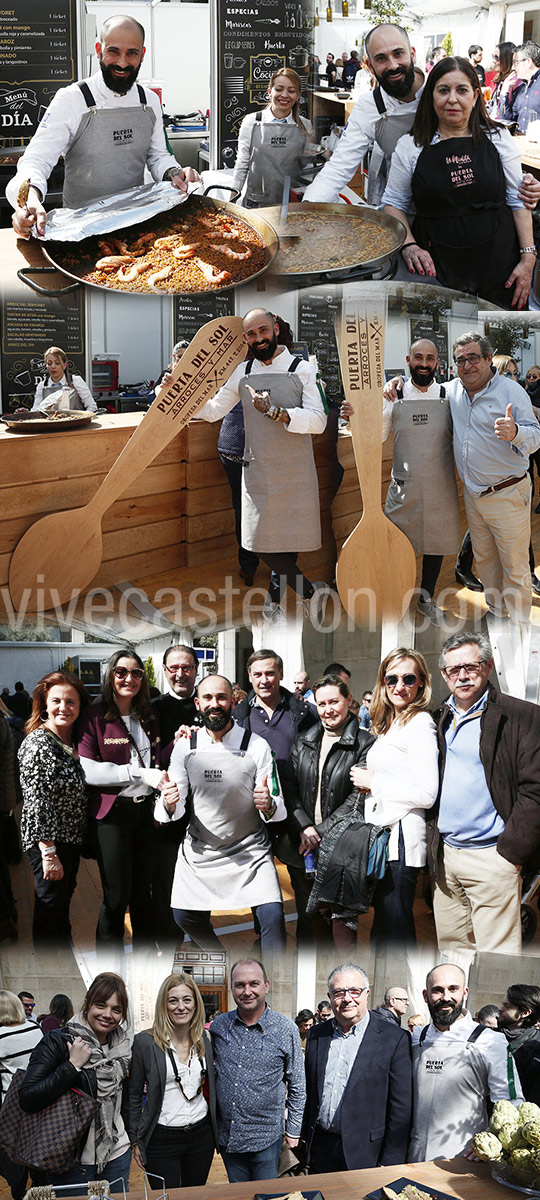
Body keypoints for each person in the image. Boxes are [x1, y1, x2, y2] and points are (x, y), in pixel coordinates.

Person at [8, 15, 198, 235]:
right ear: (99, 50)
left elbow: (157, 155)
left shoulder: (150, 101)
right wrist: (30, 196)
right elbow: (37, 159)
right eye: (113, 51)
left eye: (132, 53)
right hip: (82, 230)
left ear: (142, 55)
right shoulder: (72, 99)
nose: (122, 62)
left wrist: (173, 171)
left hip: (138, 222)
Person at [194, 308, 327, 621]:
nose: (259, 339)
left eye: (263, 331)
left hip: (295, 469)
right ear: (245, 339)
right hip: (258, 470)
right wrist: (182, 396)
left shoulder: (303, 369)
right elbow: (213, 411)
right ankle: (309, 591)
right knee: (258, 542)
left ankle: (275, 602)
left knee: (288, 540)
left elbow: (319, 421)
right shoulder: (242, 372)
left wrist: (278, 412)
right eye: (252, 334)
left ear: (276, 329)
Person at [382, 57, 536, 308]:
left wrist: (528, 259)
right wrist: (409, 246)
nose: (452, 99)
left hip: (501, 268)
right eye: (443, 90)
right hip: (437, 271)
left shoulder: (498, 138)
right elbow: (393, 204)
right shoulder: (411, 147)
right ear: (431, 96)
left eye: (461, 90)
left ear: (476, 96)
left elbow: (517, 200)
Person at [154, 675, 287, 952]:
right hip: (202, 852)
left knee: (273, 919)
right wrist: (168, 802)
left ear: (233, 701)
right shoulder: (185, 747)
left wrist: (268, 805)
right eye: (208, 698)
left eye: (221, 698)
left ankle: (266, 975)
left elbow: (278, 806)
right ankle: (220, 957)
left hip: (251, 851)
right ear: (197, 703)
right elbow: (175, 809)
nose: (215, 704)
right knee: (184, 916)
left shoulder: (256, 745)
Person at [429, 631, 540, 955]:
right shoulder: (439, 719)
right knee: (452, 955)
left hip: (493, 857)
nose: (462, 675)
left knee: (498, 958)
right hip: (446, 859)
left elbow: (535, 789)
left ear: (488, 667)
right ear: (444, 675)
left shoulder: (522, 716)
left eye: (471, 666)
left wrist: (510, 853)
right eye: (453, 670)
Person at [78, 649, 172, 948]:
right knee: (116, 896)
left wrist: (178, 741)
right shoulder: (94, 715)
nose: (128, 678)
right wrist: (138, 775)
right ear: (110, 676)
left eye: (136, 673)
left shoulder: (148, 713)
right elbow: (88, 769)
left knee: (143, 894)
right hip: (113, 817)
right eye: (121, 672)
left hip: (145, 814)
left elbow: (155, 761)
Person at [444, 334, 539, 620]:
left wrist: (516, 433)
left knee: (515, 568)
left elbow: (536, 436)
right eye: (460, 360)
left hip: (508, 493)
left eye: (473, 358)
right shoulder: (452, 391)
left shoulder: (511, 392)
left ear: (488, 359)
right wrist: (395, 383)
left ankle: (521, 629)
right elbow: (420, 389)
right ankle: (497, 615)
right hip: (474, 496)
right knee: (486, 563)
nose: (467, 365)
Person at [351, 649, 438, 946]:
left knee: (396, 931)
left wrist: (374, 782)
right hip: (383, 838)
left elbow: (427, 794)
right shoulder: (391, 723)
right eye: (392, 679)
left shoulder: (420, 723)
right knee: (383, 930)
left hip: (401, 842)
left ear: (421, 684)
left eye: (408, 678)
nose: (399, 686)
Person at [233, 649, 319, 943]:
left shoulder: (304, 713)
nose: (264, 680)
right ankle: (266, 941)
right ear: (249, 677)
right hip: (253, 814)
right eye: (257, 674)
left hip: (295, 811)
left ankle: (308, 944)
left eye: (270, 673)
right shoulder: (238, 715)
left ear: (281, 674)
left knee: (303, 883)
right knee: (260, 885)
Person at [20, 973, 132, 1193]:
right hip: (69, 1161)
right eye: (101, 1005)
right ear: (87, 1004)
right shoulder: (58, 1041)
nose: (107, 1014)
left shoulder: (124, 1048)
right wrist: (72, 1066)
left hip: (117, 1154)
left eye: (116, 1009)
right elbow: (28, 1098)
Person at [290, 673, 376, 948]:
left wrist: (320, 831)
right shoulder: (303, 740)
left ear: (349, 700)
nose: (328, 710)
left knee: (341, 921)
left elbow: (358, 798)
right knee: (313, 917)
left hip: (343, 844)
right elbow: (290, 787)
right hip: (305, 843)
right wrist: (304, 826)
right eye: (321, 703)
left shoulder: (366, 743)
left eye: (334, 701)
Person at [303, 962, 412, 1172]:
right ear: (329, 996)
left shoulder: (394, 1039)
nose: (347, 999)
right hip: (321, 1146)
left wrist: (390, 1161)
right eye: (338, 992)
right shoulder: (316, 1034)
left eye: (354, 991)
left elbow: (401, 1107)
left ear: (367, 994)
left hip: (367, 1153)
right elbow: (310, 1088)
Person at [382, 337, 461, 626]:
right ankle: (395, 599)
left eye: (430, 358)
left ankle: (426, 599)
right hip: (405, 486)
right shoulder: (394, 396)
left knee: (435, 544)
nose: (424, 364)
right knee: (397, 545)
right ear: (408, 361)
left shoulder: (449, 393)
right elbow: (377, 435)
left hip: (440, 483)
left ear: (437, 363)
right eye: (418, 358)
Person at [409, 963, 522, 1162]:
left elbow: (511, 1103)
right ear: (426, 995)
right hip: (413, 1155)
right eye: (437, 990)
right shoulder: (417, 1036)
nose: (446, 997)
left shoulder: (490, 1041)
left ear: (465, 992)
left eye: (453, 989)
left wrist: (491, 1140)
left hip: (464, 1158)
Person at [211, 958, 305, 1182]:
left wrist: (293, 1130)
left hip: (267, 1140)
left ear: (266, 986)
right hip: (229, 1138)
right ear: (232, 988)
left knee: (267, 1195)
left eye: (254, 983)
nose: (247, 991)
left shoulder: (285, 1029)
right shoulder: (218, 1027)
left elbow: (298, 1085)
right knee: (239, 1195)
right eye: (239, 985)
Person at [18, 669, 89, 945]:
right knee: (49, 913)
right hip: (49, 844)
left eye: (70, 701)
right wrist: (48, 853)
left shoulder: (73, 741)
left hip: (69, 841)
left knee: (60, 911)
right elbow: (37, 802)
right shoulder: (39, 743)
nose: (63, 707)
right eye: (56, 700)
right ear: (44, 704)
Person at [128, 973, 218, 1187]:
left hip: (201, 1136)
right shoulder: (145, 1042)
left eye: (187, 999)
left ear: (195, 1004)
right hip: (161, 1138)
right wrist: (135, 1140)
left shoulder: (206, 1039)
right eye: (173, 1000)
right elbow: (132, 1095)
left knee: (193, 1195)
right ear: (164, 1005)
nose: (181, 1007)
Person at [231, 68, 315, 207]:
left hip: (293, 204)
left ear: (298, 95)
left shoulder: (305, 125)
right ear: (270, 92)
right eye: (279, 89)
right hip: (256, 203)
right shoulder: (252, 121)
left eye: (291, 91)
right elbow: (242, 163)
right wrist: (232, 199)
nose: (284, 95)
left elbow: (308, 168)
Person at [0, 991, 42, 1200]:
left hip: (11, 1110)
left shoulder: (0, 1036)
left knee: (13, 1163)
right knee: (36, 1157)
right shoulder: (35, 1028)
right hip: (39, 1103)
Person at [497, 984, 540, 1104]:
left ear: (525, 1012)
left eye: (507, 1006)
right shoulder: (489, 1037)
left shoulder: (537, 1047)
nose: (500, 1008)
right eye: (502, 1004)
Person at [31, 347, 97, 413]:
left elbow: (92, 406)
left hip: (76, 422)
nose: (53, 366)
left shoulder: (75, 381)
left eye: (57, 363)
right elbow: (36, 410)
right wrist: (26, 413)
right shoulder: (42, 386)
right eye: (49, 363)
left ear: (65, 365)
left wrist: (83, 417)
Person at [509, 42, 540, 131]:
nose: (513, 68)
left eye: (516, 63)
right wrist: (504, 94)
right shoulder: (521, 88)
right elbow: (508, 119)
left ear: (528, 62)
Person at [489, 42, 518, 119]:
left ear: (507, 59)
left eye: (497, 57)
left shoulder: (514, 81)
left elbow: (507, 113)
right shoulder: (499, 77)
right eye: (493, 57)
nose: (494, 61)